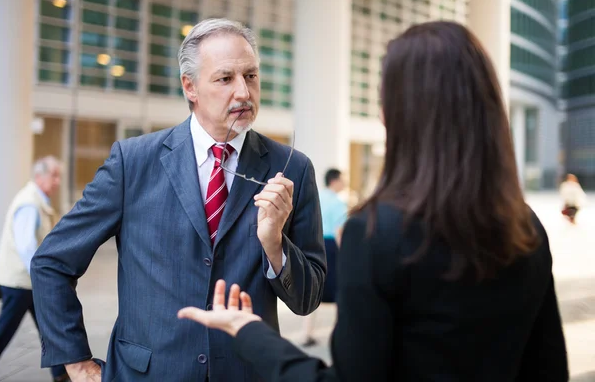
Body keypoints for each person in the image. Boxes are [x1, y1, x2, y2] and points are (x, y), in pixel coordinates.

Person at [178, 21, 569, 381]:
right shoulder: (526, 227)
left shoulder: (378, 234)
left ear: (401, 113)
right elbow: (549, 368)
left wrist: (249, 333)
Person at [30, 18, 326, 382]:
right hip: (148, 373)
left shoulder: (291, 167)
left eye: (250, 76)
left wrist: (275, 245)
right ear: (190, 87)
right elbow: (52, 262)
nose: (244, 92)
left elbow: (308, 298)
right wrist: (76, 364)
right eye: (225, 78)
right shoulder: (133, 162)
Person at [0, 156, 68, 381]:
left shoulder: (37, 200)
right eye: (53, 175)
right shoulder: (30, 203)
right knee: (5, 330)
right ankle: (61, 372)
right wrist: (41, 277)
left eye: (59, 176)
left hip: (27, 281)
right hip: (22, 282)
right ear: (39, 176)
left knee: (49, 327)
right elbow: (26, 246)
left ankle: (60, 372)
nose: (57, 181)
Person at [301, 168, 347, 347]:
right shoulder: (338, 203)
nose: (344, 183)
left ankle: (306, 334)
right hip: (331, 248)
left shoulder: (316, 196)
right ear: (334, 181)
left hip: (314, 244)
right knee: (339, 292)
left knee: (314, 289)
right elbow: (339, 232)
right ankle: (339, 336)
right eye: (343, 179)